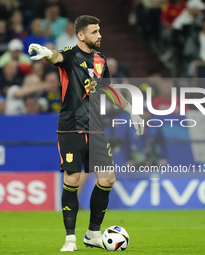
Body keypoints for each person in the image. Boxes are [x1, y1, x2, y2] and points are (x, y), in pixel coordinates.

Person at [28, 15, 144, 252]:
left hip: (96, 128)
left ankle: (92, 234)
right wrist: (45, 51)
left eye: (99, 30)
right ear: (81, 35)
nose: (99, 35)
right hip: (71, 127)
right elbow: (55, 56)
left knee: (107, 179)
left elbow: (108, 89)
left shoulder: (101, 59)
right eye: (94, 32)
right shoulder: (70, 55)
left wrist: (132, 110)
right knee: (72, 180)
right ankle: (70, 238)